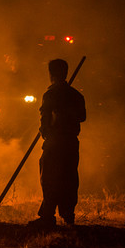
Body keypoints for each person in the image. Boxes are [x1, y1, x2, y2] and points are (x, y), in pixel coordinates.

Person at [30, 58, 86, 226]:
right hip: (70, 143)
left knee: (50, 177)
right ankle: (68, 215)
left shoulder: (51, 94)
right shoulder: (75, 94)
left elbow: (45, 119)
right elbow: (82, 116)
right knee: (68, 178)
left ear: (51, 74)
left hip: (56, 142)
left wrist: (47, 130)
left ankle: (47, 216)